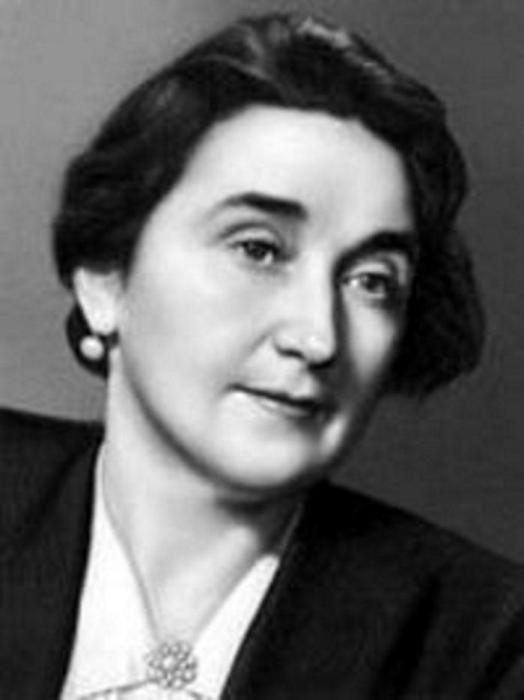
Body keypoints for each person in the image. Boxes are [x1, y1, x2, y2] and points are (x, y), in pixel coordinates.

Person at [1, 12, 524, 699]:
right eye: (258, 249)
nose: (318, 337)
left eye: (371, 282)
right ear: (105, 277)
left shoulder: (481, 643)